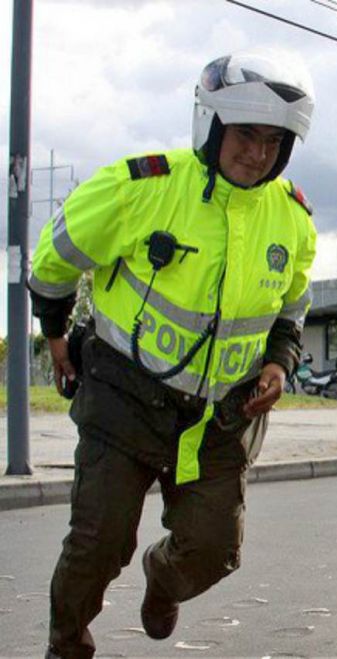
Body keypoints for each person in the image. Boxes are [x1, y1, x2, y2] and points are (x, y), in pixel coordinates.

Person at [28, 50, 318, 659]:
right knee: (99, 542)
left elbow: (291, 310)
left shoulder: (292, 220)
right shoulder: (142, 187)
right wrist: (56, 332)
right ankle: (67, 644)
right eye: (245, 135)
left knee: (214, 551)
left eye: (273, 141)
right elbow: (53, 259)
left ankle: (162, 583)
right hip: (125, 394)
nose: (258, 154)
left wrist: (278, 362)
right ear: (211, 126)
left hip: (220, 416)